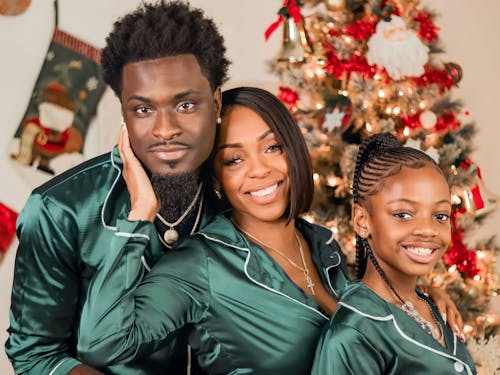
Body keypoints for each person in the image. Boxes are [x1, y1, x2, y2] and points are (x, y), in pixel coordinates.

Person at [5, 1, 230, 374]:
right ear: (124, 112)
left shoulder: (242, 196)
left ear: (216, 102)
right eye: (143, 110)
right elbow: (37, 356)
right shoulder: (59, 211)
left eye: (186, 104)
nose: (165, 130)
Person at [76, 86, 349, 374]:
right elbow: (100, 342)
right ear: (216, 178)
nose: (259, 170)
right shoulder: (201, 263)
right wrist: (142, 211)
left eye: (272, 147)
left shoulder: (323, 244)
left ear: (292, 151)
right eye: (234, 160)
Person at [311, 133, 476, 374]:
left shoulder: (431, 306)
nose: (428, 230)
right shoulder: (353, 335)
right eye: (403, 214)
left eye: (440, 216)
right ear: (362, 220)